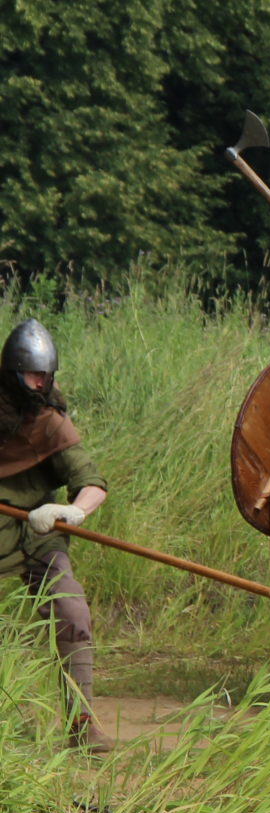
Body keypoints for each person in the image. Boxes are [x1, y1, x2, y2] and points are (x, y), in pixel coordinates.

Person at [0, 320, 110, 750]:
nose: (41, 384)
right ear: (12, 374)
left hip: (37, 535)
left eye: (46, 376)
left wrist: (71, 511)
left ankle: (81, 722)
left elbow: (92, 483)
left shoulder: (50, 422)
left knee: (72, 612)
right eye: (33, 375)